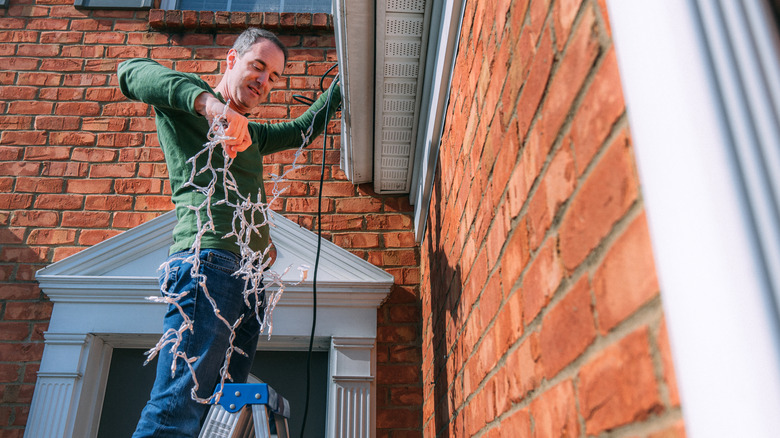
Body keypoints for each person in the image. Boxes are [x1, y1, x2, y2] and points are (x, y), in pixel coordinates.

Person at [117, 27, 341, 437]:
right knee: (177, 408)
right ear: (231, 61)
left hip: (250, 282)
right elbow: (131, 71)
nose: (264, 81)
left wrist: (345, 83)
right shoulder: (190, 106)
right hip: (208, 268)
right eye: (258, 66)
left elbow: (303, 128)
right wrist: (209, 105)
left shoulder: (251, 135)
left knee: (216, 414)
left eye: (273, 77)